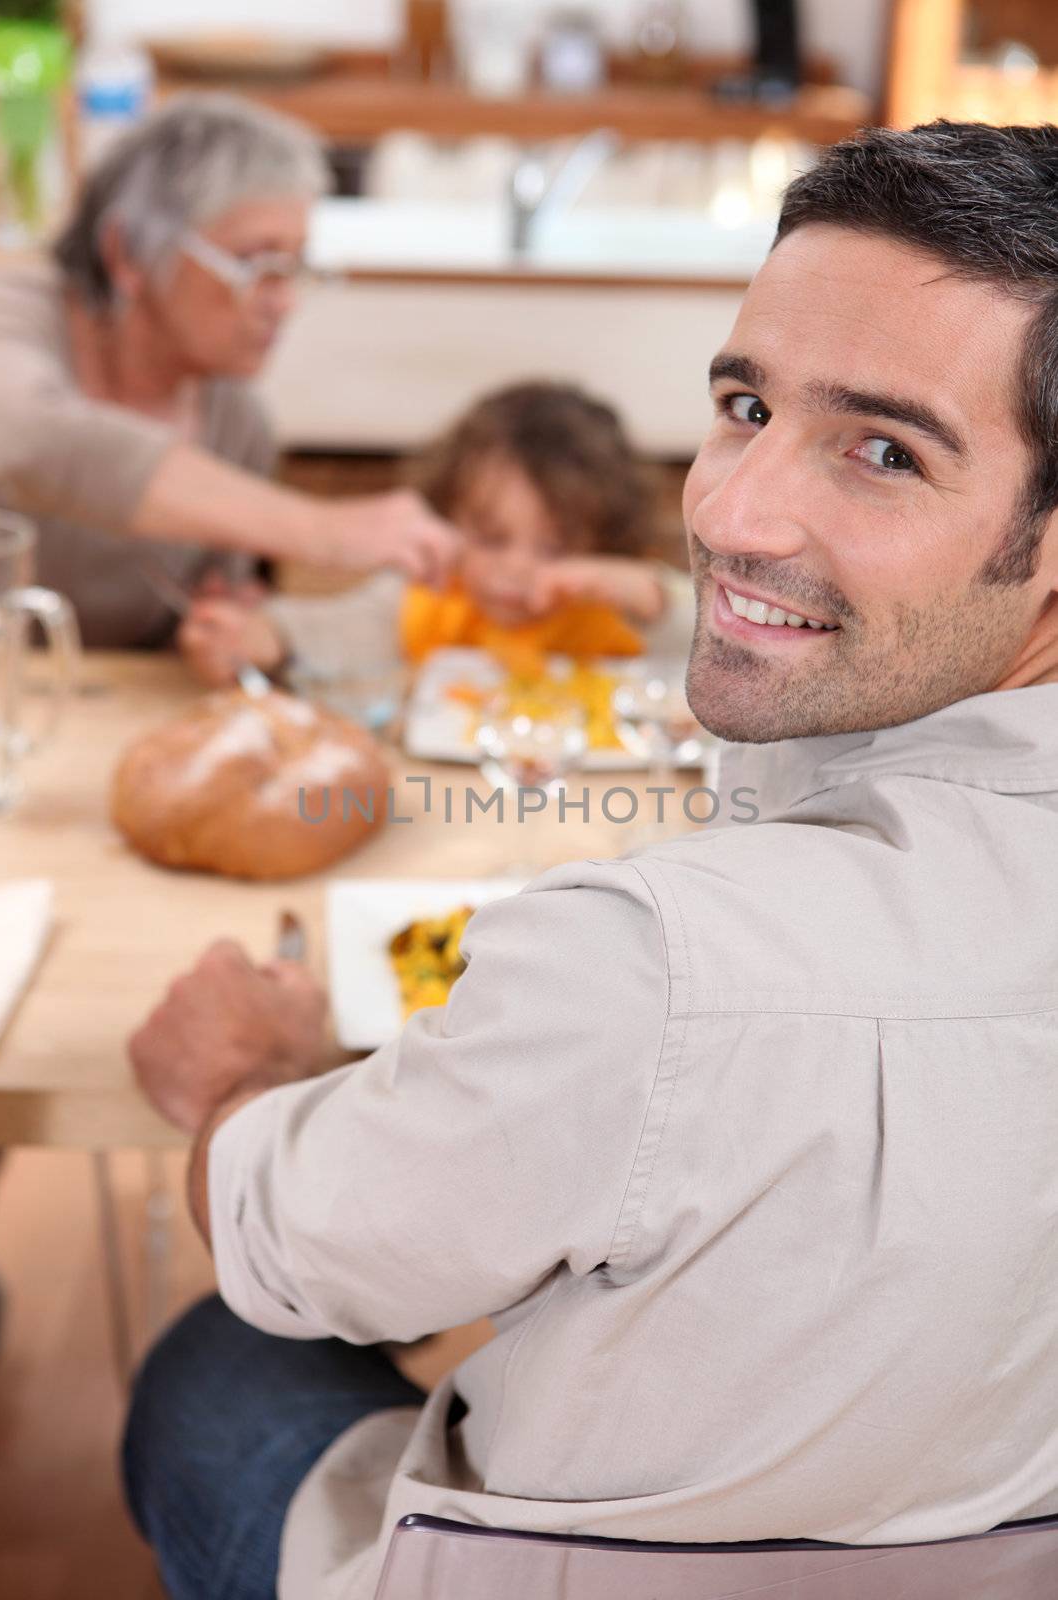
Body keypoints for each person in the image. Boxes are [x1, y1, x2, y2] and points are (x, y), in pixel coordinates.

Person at [123, 120, 1058, 1600]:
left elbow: (285, 1237)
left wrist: (244, 1078)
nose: (729, 512)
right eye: (743, 404)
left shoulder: (647, 967)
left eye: (881, 451)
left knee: (212, 1365)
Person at [0, 94, 457, 649]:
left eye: (295, 266)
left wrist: (220, 633)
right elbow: (27, 436)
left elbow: (167, 644)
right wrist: (319, 529)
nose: (283, 302)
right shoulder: (14, 314)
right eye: (257, 264)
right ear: (127, 255)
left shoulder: (237, 424)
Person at [176, 381, 697, 687]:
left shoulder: (621, 609)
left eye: (555, 548)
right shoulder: (434, 593)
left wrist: (648, 595)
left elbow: (705, 645)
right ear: (445, 521)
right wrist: (260, 637)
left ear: (605, 543)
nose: (516, 568)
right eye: (491, 539)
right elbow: (336, 634)